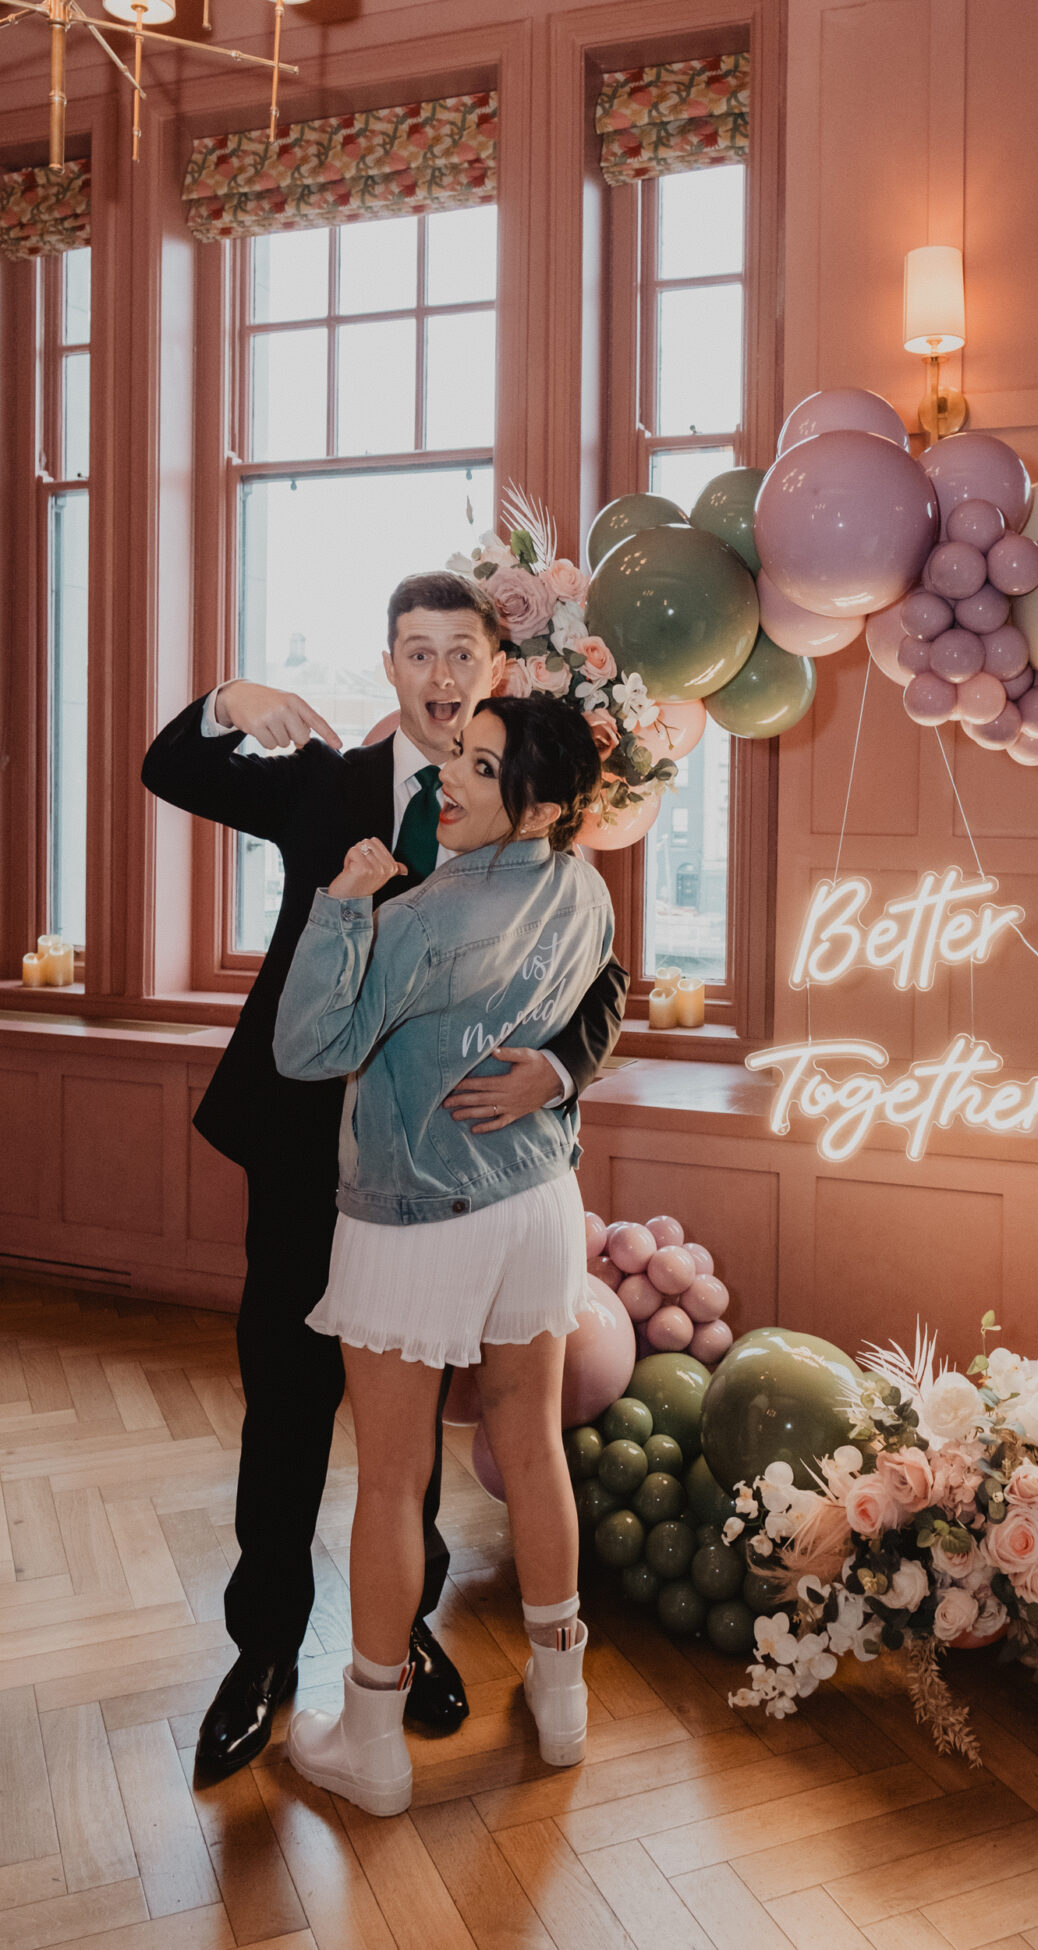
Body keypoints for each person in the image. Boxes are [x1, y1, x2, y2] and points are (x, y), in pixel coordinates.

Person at [140, 572, 628, 1781]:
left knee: (406, 1437)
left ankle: (399, 1641)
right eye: (417, 653)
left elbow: (606, 987)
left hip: (458, 1179)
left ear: (492, 671)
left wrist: (556, 1075)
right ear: (393, 667)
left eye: (462, 652)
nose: (442, 676)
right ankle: (262, 1654)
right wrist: (227, 700)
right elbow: (173, 771)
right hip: (309, 1154)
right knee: (291, 1406)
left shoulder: (534, 821)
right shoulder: (330, 786)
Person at [273, 694, 612, 1814]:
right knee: (534, 1447)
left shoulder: (421, 914)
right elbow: (582, 1008)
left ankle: (369, 1742)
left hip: (413, 1209)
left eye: (478, 766)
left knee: (390, 1477)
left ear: (548, 803)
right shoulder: (585, 890)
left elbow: (309, 1045)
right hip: (538, 1203)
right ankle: (561, 1706)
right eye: (454, 757)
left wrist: (343, 906)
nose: (446, 780)